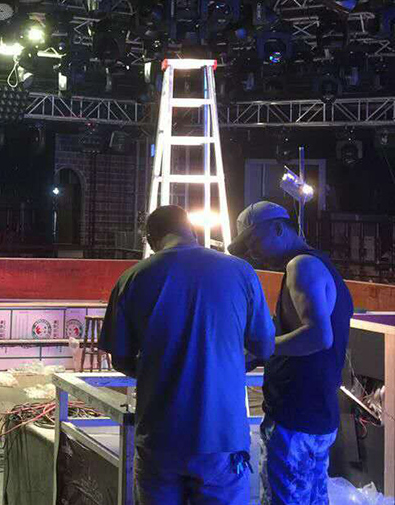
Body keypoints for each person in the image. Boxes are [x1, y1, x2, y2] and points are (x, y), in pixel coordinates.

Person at [99, 205, 276, 505]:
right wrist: (225, 365)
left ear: (151, 238)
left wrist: (165, 368)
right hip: (222, 438)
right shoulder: (241, 272)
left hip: (160, 436)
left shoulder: (132, 278)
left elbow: (121, 358)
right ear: (191, 230)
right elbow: (265, 348)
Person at [229, 201, 353, 505]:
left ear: (277, 228)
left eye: (253, 241)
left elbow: (319, 336)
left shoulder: (301, 266)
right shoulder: (320, 264)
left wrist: (264, 348)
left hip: (295, 414)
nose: (251, 252)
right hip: (317, 412)